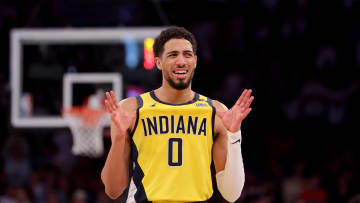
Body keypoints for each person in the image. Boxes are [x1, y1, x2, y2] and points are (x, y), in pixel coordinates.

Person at [101, 26, 254, 203]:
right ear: (158, 62)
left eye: (187, 54)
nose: (181, 61)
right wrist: (119, 138)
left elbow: (232, 194)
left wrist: (235, 135)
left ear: (195, 61)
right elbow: (113, 190)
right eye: (173, 55)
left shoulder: (216, 113)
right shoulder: (131, 110)